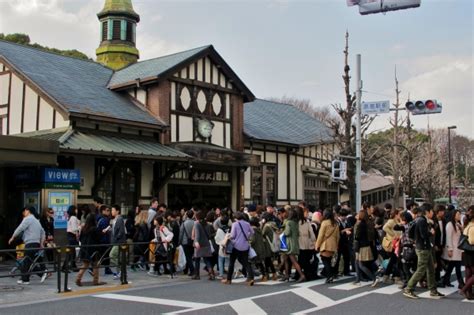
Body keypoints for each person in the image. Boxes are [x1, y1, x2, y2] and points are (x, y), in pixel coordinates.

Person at [403, 203, 445, 299]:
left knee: (430, 269)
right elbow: (424, 235)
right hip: (423, 248)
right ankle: (409, 289)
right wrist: (431, 232)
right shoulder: (422, 221)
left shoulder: (420, 220)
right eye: (431, 211)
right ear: (427, 212)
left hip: (424, 248)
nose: (433, 213)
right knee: (421, 269)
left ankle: (433, 290)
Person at [9, 206, 48, 284]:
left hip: (30, 243)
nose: (24, 213)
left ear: (28, 211)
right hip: (36, 244)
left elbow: (20, 228)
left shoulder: (28, 219)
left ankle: (40, 274)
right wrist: (41, 243)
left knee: (26, 261)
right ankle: (25, 279)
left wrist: (12, 237)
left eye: (25, 211)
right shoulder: (37, 221)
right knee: (28, 262)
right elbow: (43, 232)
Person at [222, 211, 254, 286]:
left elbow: (233, 235)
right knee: (245, 262)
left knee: (231, 262)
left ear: (235, 218)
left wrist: (228, 236)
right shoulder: (247, 223)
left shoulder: (235, 224)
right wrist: (247, 237)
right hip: (245, 246)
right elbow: (252, 232)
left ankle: (229, 279)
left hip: (236, 246)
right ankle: (251, 277)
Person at [353, 209, 379, 287]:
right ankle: (358, 279)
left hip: (361, 246)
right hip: (365, 245)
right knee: (357, 262)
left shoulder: (360, 224)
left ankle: (374, 278)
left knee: (361, 264)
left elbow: (357, 236)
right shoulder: (366, 223)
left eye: (358, 214)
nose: (357, 215)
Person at [76, 213, 101, 286]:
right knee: (96, 264)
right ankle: (95, 280)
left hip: (84, 249)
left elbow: (80, 239)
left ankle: (78, 278)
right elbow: (98, 239)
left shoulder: (84, 228)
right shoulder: (95, 229)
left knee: (85, 264)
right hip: (93, 250)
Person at [315, 208, 340, 283]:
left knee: (324, 259)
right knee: (329, 261)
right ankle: (330, 275)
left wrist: (317, 245)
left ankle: (329, 276)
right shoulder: (335, 223)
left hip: (325, 244)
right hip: (333, 244)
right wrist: (336, 244)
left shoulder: (324, 223)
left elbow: (321, 235)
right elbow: (338, 236)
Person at [441, 209, 464, 288]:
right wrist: (450, 249)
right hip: (453, 249)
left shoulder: (458, 224)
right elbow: (448, 238)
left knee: (451, 267)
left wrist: (461, 228)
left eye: (460, 214)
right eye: (458, 214)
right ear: (453, 215)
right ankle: (461, 283)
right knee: (457, 267)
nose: (459, 216)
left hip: (457, 249)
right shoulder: (450, 225)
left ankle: (445, 281)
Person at [192, 211, 215, 280]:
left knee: (197, 260)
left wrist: (196, 242)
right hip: (206, 243)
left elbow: (197, 235)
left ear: (197, 217)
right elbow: (210, 235)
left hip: (199, 244)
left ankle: (197, 275)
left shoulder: (197, 224)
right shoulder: (207, 224)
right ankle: (211, 274)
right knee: (207, 260)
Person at [382, 208, 402, 284]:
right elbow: (384, 228)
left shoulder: (397, 221)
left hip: (396, 243)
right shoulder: (391, 221)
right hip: (393, 244)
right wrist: (393, 235)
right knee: (396, 260)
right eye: (399, 214)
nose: (400, 215)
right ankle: (396, 277)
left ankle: (387, 276)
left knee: (393, 260)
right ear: (396, 214)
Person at [459, 206, 474, 300]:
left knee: (468, 273)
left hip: (466, 252)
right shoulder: (473, 227)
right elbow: (472, 241)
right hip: (472, 252)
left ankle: (469, 294)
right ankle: (464, 290)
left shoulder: (467, 224)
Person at [109, 205, 126, 280]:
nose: (112, 212)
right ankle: (120, 272)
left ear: (117, 211)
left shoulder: (120, 219)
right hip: (115, 241)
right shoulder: (114, 219)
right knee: (118, 257)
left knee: (112, 255)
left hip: (119, 241)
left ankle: (120, 271)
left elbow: (121, 231)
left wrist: (116, 238)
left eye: (113, 210)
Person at [179, 209, 195, 276]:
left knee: (187, 257)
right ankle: (186, 270)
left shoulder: (184, 223)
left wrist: (179, 242)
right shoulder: (195, 222)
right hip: (193, 241)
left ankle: (192, 270)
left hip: (185, 241)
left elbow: (181, 233)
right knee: (190, 256)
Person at [64, 205, 80, 272]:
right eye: (76, 209)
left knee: (72, 252)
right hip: (72, 236)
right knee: (71, 252)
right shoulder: (73, 217)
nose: (77, 210)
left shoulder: (70, 217)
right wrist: (80, 227)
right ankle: (64, 267)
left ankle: (73, 266)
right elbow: (74, 229)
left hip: (70, 236)